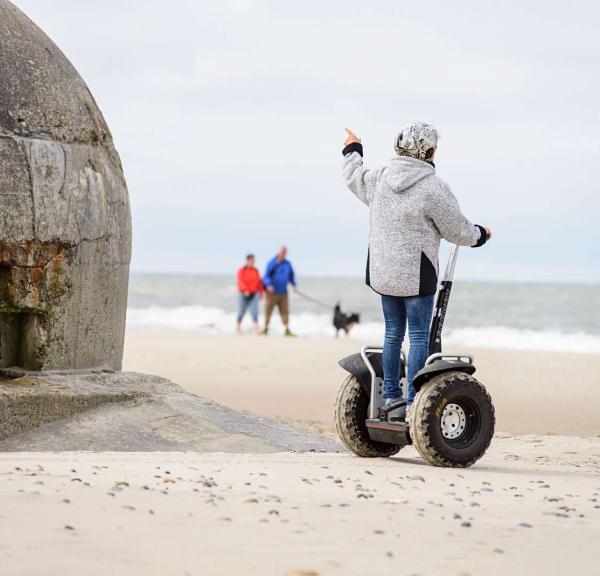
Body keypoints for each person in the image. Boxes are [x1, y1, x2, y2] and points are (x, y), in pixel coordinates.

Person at [341, 122, 491, 422]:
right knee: (420, 335)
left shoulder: (381, 178)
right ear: (430, 151)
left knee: (393, 333)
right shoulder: (433, 187)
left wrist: (353, 149)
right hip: (416, 274)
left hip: (384, 272)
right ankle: (413, 402)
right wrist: (480, 235)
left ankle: (392, 399)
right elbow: (456, 230)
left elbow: (353, 177)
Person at [262, 246, 297, 336]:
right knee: (268, 310)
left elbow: (291, 275)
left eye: (285, 252)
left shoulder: (287, 264)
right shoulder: (272, 263)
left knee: (285, 311)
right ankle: (265, 329)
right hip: (272, 292)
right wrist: (268, 284)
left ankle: (286, 330)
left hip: (283, 291)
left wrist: (294, 285)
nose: (283, 254)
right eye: (282, 252)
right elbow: (266, 276)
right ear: (278, 252)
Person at [236, 253, 263, 334]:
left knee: (255, 311)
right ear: (247, 261)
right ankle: (238, 327)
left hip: (254, 293)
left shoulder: (256, 271)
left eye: (253, 261)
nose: (252, 262)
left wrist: (261, 293)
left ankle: (256, 329)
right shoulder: (242, 270)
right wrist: (245, 290)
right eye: (251, 260)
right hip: (243, 294)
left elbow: (259, 283)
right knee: (241, 311)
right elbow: (240, 281)